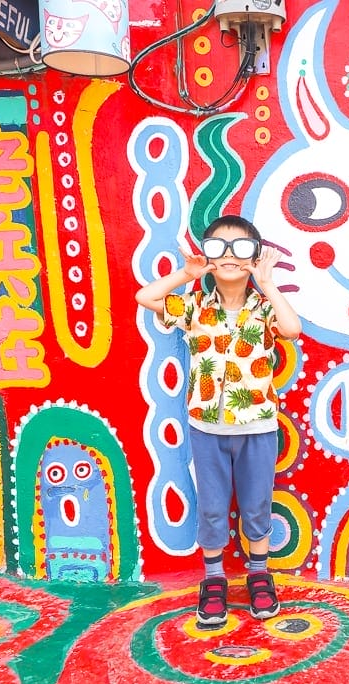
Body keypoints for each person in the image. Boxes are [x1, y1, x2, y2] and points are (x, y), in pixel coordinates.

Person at [135, 215, 302, 627]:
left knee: (257, 505)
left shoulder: (264, 308)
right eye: (218, 247)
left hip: (258, 427)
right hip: (207, 429)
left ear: (254, 257)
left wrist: (268, 283)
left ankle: (258, 574)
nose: (229, 255)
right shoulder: (193, 307)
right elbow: (145, 296)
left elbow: (292, 329)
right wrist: (186, 274)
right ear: (207, 256)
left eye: (241, 247)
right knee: (211, 508)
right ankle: (214, 578)